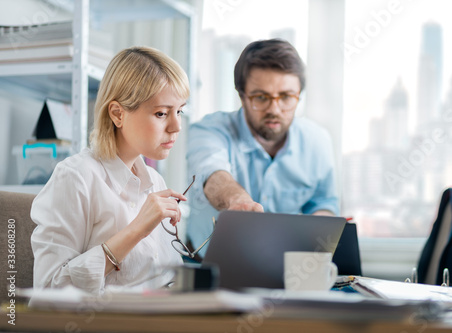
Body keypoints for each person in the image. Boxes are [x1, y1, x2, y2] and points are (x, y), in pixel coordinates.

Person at [31, 46, 190, 294]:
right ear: (118, 114)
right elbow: (48, 291)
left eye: (180, 111)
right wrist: (137, 229)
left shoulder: (155, 181)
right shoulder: (75, 177)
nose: (176, 126)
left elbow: (164, 280)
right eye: (161, 113)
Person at [186, 39, 339, 258]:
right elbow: (212, 173)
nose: (274, 109)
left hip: (286, 267)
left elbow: (323, 203)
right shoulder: (209, 131)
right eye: (261, 97)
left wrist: (317, 245)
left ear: (298, 96)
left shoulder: (318, 141)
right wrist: (238, 202)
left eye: (286, 97)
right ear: (242, 96)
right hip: (207, 266)